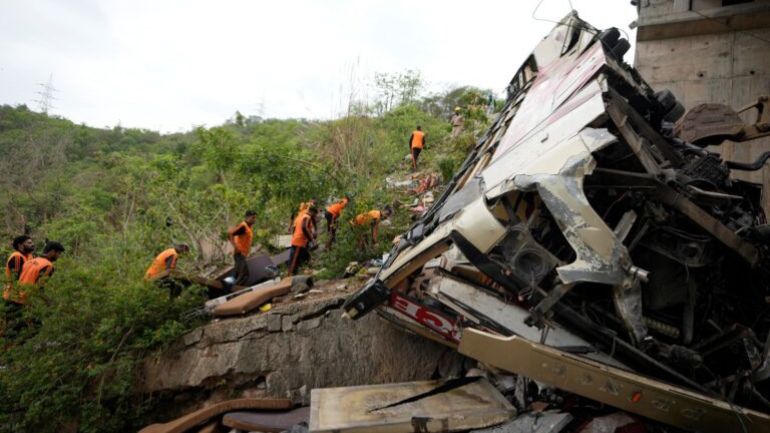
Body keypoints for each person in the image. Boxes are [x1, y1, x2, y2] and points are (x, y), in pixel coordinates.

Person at [3, 235, 35, 304]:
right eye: (29, 243)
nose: (32, 245)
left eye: (32, 243)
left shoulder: (29, 256)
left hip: (25, 297)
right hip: (14, 297)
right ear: (20, 245)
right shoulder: (17, 257)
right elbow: (16, 279)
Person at [228, 210, 256, 286]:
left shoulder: (248, 227)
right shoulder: (243, 226)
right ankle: (235, 291)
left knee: (237, 274)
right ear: (247, 217)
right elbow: (230, 233)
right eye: (252, 218)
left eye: (255, 218)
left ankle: (229, 289)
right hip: (239, 254)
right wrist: (235, 246)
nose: (254, 220)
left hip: (242, 254)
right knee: (244, 275)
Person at [288, 206, 317, 276]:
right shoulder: (307, 217)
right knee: (294, 261)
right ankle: (290, 276)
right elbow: (304, 227)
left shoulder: (300, 216)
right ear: (312, 212)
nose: (315, 216)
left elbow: (294, 228)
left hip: (299, 240)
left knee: (306, 257)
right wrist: (312, 240)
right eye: (315, 214)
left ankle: (308, 272)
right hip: (299, 242)